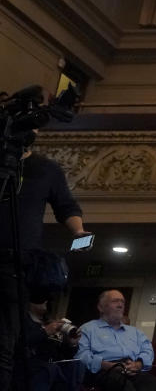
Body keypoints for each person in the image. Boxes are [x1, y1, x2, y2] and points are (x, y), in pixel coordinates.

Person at [1, 145, 86, 391]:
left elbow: (66, 206)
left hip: (16, 264)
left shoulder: (46, 169)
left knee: (4, 345)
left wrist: (79, 232)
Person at [76, 290, 156, 391]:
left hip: (131, 368)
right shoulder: (87, 329)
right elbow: (81, 355)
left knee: (152, 383)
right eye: (115, 301)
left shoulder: (135, 332)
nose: (120, 305)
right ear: (101, 307)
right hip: (103, 370)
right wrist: (108, 365)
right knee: (123, 385)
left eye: (122, 302)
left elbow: (148, 350)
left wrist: (138, 364)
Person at [24, 292, 84, 391]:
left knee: (77, 365)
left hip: (54, 364)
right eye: (41, 299)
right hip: (31, 363)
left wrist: (71, 343)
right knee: (50, 369)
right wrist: (45, 332)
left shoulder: (51, 322)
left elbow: (65, 356)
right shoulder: (24, 322)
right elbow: (22, 342)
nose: (46, 302)